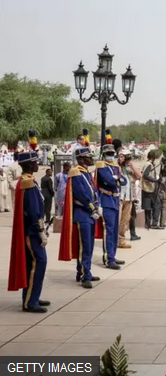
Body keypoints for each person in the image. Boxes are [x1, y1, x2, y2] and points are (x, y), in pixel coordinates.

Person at [8, 131, 50, 313]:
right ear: (28, 164)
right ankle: (30, 301)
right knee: (38, 262)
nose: (37, 163)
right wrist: (41, 231)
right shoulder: (27, 183)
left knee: (34, 264)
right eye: (34, 162)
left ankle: (33, 296)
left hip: (32, 230)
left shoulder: (29, 180)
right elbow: (33, 211)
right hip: (31, 232)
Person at [58, 145, 101, 289]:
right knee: (84, 247)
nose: (91, 160)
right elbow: (80, 194)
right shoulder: (76, 173)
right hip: (83, 214)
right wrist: (92, 207)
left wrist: (97, 204)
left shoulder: (86, 173)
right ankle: (84, 275)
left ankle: (83, 271)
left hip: (90, 214)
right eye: (89, 157)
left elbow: (94, 191)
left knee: (88, 247)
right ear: (81, 159)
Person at [95, 131, 127, 270]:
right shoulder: (101, 166)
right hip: (106, 201)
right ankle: (108, 259)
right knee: (108, 231)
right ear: (103, 155)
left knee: (114, 231)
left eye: (112, 154)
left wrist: (116, 180)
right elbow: (110, 181)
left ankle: (112, 255)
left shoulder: (115, 167)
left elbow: (123, 181)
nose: (111, 156)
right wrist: (116, 180)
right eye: (108, 154)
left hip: (115, 201)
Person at [118, 148, 142, 244]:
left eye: (123, 156)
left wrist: (131, 165)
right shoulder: (116, 167)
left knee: (125, 220)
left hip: (128, 198)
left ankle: (121, 239)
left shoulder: (128, 169)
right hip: (119, 198)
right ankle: (113, 240)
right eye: (120, 156)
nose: (121, 158)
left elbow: (139, 176)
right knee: (117, 219)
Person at [141, 150, 161, 229]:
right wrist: (155, 180)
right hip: (149, 188)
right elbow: (145, 175)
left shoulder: (148, 164)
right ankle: (154, 223)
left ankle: (148, 224)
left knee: (148, 207)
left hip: (148, 188)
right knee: (156, 205)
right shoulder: (149, 165)